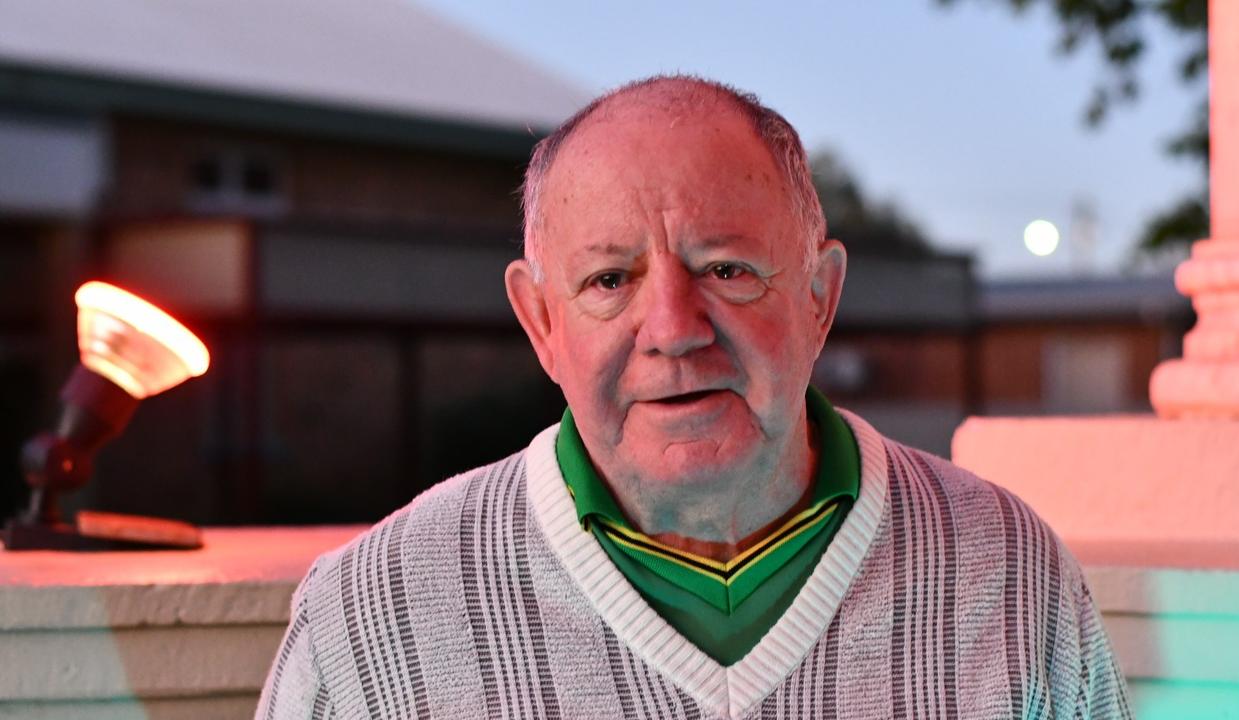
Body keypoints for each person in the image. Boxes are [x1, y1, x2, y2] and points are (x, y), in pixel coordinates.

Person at [256, 75, 1132, 720]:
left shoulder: (1008, 574)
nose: (674, 327)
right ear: (540, 321)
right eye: (609, 279)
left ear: (820, 297)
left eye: (727, 269)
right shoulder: (379, 612)